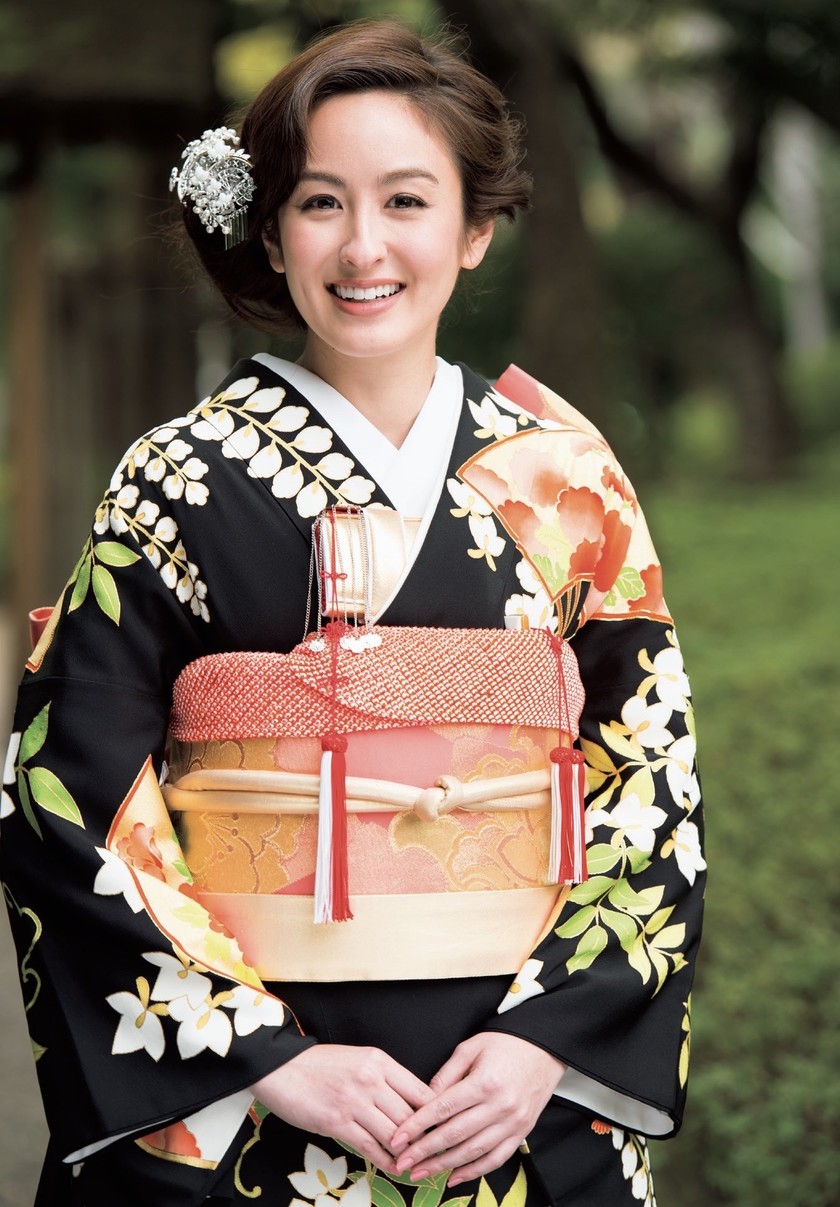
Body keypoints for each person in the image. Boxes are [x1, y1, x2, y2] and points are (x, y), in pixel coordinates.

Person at [0, 19, 705, 1207]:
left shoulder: (566, 477)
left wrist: (547, 1043)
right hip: (261, 1108)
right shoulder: (176, 476)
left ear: (476, 228)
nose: (364, 245)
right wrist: (270, 1056)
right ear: (269, 230)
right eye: (322, 202)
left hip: (512, 1100)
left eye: (408, 201)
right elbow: (62, 787)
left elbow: (650, 775)